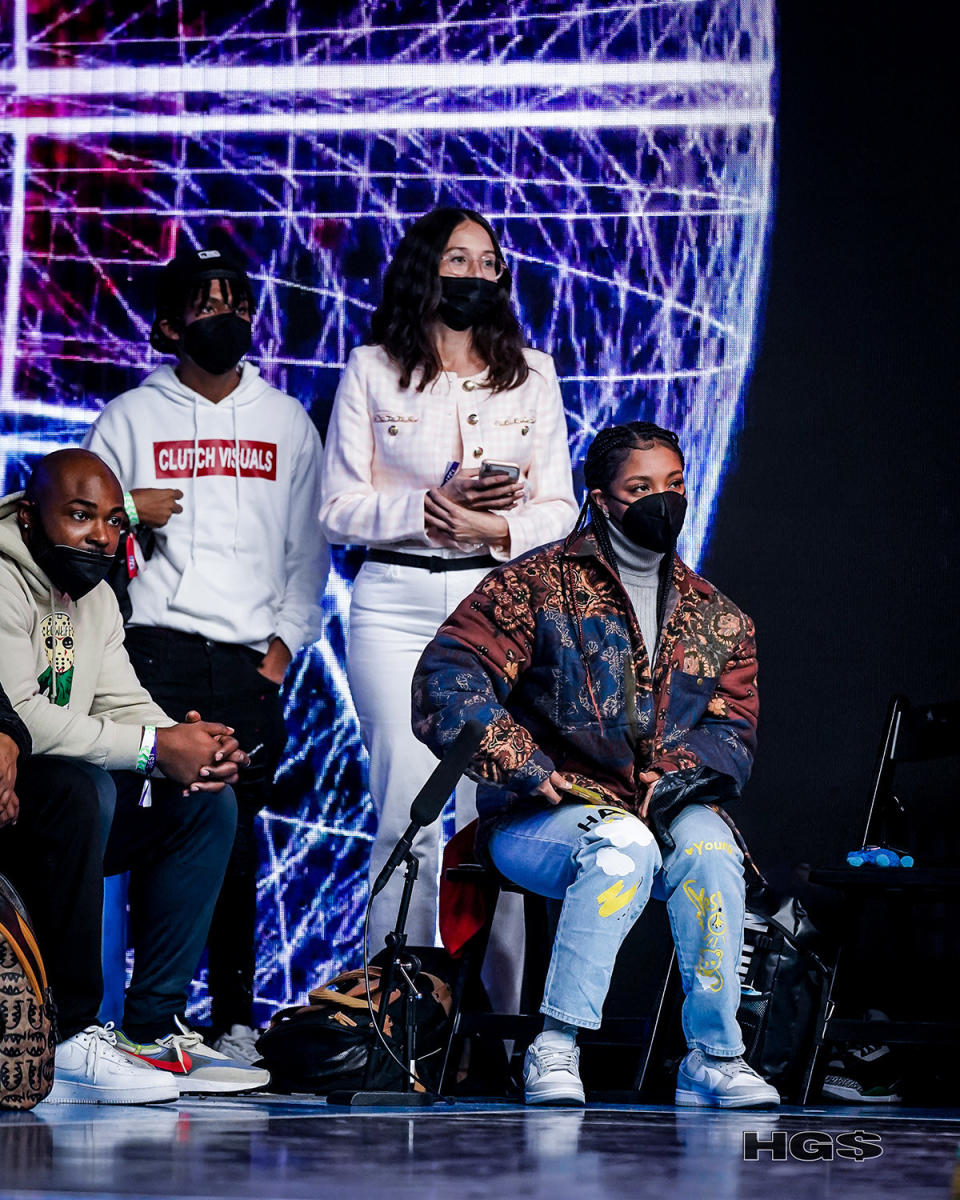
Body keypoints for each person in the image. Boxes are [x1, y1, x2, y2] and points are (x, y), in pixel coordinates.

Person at [412, 421, 780, 1108]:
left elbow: (734, 729)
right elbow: (448, 674)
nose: (660, 501)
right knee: (621, 848)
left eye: (673, 485)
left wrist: (670, 774)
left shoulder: (718, 617)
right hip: (542, 816)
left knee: (712, 850)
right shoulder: (535, 585)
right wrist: (521, 761)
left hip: (661, 806)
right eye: (640, 487)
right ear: (602, 498)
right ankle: (555, 1045)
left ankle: (715, 1057)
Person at [319, 206, 578, 1000]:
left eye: (486, 261)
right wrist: (423, 511)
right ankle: (393, 1007)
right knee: (406, 804)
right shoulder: (371, 369)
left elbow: (563, 509)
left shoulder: (532, 374)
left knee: (484, 810)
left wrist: (493, 524)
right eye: (455, 259)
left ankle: (498, 1024)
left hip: (490, 605)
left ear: (502, 277)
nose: (471, 274)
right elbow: (336, 508)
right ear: (425, 268)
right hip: (393, 597)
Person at [84, 243, 329, 1062]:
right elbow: (81, 531)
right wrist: (125, 509)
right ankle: (146, 1019)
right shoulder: (128, 418)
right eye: (204, 302)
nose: (224, 314)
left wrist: (282, 652)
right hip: (152, 654)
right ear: (166, 325)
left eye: (236, 299)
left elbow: (309, 549)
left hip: (248, 662)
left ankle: (233, 1021)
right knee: (150, 831)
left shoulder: (285, 420)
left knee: (234, 835)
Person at [0, 448, 271, 1103]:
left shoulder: (93, 596)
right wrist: (155, 747)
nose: (101, 535)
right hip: (17, 803)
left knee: (203, 803)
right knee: (80, 786)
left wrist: (190, 747)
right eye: (80, 515)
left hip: (65, 813)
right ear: (32, 517)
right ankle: (64, 1039)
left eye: (114, 522)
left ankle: (152, 1030)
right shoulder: (3, 578)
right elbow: (21, 718)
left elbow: (120, 701)